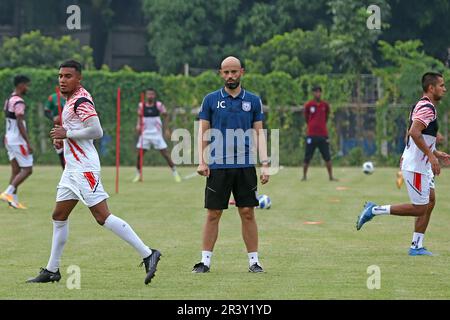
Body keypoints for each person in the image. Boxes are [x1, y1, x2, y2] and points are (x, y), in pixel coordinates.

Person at [26, 60, 161, 284]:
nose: (62, 80)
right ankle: (52, 270)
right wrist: (63, 141)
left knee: (102, 216)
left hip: (85, 168)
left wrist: (67, 134)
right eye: (60, 76)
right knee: (59, 216)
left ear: (79, 79)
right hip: (72, 169)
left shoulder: (80, 100)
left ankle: (148, 253)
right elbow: (77, 132)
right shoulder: (69, 101)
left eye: (68, 76)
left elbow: (97, 131)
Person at [356, 72, 450, 256]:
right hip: (416, 166)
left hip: (419, 163)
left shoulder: (423, 105)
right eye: (441, 85)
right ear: (431, 88)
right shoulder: (427, 107)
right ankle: (374, 210)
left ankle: (416, 246)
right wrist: (431, 156)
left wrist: (436, 153)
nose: (444, 89)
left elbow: (414, 133)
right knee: (420, 208)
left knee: (430, 201)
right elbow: (414, 133)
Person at [192, 56, 270, 273]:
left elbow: (259, 133)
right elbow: (203, 132)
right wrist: (202, 160)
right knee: (213, 213)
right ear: (221, 74)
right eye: (226, 72)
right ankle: (204, 262)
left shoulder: (253, 100)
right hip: (217, 165)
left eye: (234, 72)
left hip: (245, 165)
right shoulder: (210, 100)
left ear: (242, 72)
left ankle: (254, 262)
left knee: (247, 212)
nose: (230, 76)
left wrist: (265, 163)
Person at [133, 88, 181, 183]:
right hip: (145, 134)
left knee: (165, 154)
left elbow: (166, 116)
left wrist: (166, 129)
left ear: (154, 95)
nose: (150, 96)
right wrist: (138, 125)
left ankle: (175, 173)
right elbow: (139, 116)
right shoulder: (141, 105)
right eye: (148, 94)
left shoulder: (159, 105)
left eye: (152, 94)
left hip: (156, 134)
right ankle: (138, 175)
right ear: (146, 95)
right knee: (139, 155)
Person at [0, 75, 33, 209]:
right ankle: (7, 193)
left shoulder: (9, 99)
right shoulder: (19, 101)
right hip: (18, 140)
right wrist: (28, 142)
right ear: (20, 85)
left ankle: (13, 201)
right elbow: (19, 122)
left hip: (8, 138)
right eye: (26, 85)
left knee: (16, 170)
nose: (27, 88)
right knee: (28, 169)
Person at [302, 86, 337, 181]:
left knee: (327, 156)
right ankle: (304, 176)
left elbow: (327, 116)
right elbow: (306, 117)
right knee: (307, 156)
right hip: (311, 134)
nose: (318, 94)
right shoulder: (309, 105)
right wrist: (311, 126)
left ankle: (331, 176)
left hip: (322, 135)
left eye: (319, 92)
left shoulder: (325, 105)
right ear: (313, 93)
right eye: (316, 92)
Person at [44, 90, 66, 169]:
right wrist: (53, 118)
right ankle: (65, 171)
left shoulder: (74, 96)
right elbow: (46, 111)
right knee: (60, 150)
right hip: (58, 127)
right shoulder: (53, 97)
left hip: (71, 128)